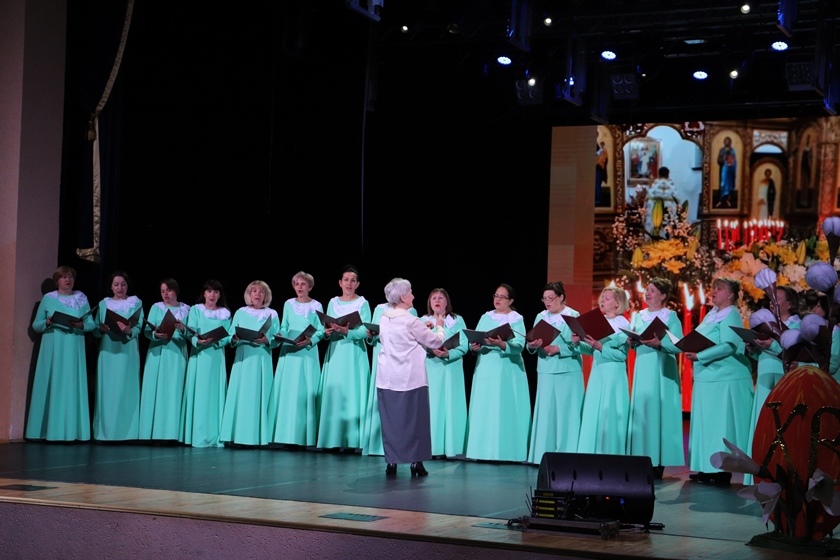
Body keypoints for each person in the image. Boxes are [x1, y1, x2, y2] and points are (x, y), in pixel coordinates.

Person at [684, 277, 753, 485]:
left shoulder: (731, 314)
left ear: (731, 295)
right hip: (707, 378)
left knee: (719, 425)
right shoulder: (712, 314)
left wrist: (700, 356)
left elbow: (729, 345)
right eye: (714, 288)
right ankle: (707, 467)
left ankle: (720, 471)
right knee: (707, 425)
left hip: (723, 378)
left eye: (720, 289)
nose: (714, 292)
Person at [376, 278, 446, 477]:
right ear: (403, 297)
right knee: (416, 422)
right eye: (411, 292)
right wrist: (439, 326)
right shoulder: (411, 321)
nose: (413, 296)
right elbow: (435, 342)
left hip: (387, 378)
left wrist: (424, 328)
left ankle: (392, 462)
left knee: (392, 423)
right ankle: (416, 462)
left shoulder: (384, 318)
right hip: (410, 378)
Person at [26, 265, 97, 441]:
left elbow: (91, 324)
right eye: (64, 277)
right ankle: (47, 430)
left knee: (71, 384)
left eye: (71, 276)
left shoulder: (81, 298)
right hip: (54, 345)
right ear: (57, 280)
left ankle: (73, 431)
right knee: (54, 383)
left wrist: (82, 325)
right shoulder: (48, 298)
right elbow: (36, 325)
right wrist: (48, 322)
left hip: (73, 345)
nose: (68, 280)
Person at [626, 278, 685, 478]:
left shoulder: (670, 316)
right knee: (644, 411)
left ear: (663, 295)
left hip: (661, 369)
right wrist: (632, 341)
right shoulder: (638, 316)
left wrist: (660, 344)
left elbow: (679, 344)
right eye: (647, 290)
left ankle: (658, 462)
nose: (648, 293)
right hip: (643, 366)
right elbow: (633, 342)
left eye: (653, 290)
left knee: (660, 412)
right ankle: (641, 458)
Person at [465, 283, 530, 462]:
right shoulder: (485, 317)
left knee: (504, 407)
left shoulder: (516, 319)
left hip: (507, 369)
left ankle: (506, 452)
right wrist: (474, 346)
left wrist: (501, 344)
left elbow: (519, 345)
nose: (498, 299)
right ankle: (482, 452)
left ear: (511, 300)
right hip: (486, 368)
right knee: (486, 407)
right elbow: (476, 339)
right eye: (496, 295)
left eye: (502, 296)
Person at [743, 286, 799, 484]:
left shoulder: (796, 325)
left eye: (777, 299)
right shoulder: (766, 325)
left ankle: (780, 475)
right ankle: (758, 474)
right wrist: (752, 347)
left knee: (780, 425)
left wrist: (772, 344)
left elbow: (794, 354)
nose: (772, 302)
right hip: (765, 379)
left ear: (789, 304)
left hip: (784, 379)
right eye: (771, 299)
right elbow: (762, 355)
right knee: (762, 424)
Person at [526, 281, 584, 464]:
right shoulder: (541, 316)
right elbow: (531, 343)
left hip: (568, 371)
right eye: (544, 299)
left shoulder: (573, 315)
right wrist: (532, 345)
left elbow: (581, 345)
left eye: (551, 298)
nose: (547, 302)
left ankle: (567, 456)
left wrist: (558, 348)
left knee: (567, 414)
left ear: (561, 297)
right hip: (546, 370)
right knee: (547, 414)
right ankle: (544, 455)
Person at [316, 265, 372, 451]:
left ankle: (352, 441)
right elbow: (326, 326)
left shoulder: (362, 303)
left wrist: (347, 331)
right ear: (340, 283)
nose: (349, 283)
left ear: (357, 284)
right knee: (335, 393)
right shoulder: (333, 302)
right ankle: (332, 440)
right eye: (346, 280)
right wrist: (327, 332)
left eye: (352, 280)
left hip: (354, 352)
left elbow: (365, 330)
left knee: (353, 391)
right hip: (336, 350)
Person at [220, 280, 279, 447]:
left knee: (258, 396)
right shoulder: (240, 312)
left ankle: (258, 437)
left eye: (261, 291)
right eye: (254, 291)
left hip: (261, 359)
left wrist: (267, 340)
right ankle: (238, 436)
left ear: (265, 296)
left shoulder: (272, 314)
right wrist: (235, 338)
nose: (257, 294)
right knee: (242, 396)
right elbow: (230, 335)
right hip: (243, 358)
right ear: (249, 294)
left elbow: (277, 338)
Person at [268, 271, 324, 448]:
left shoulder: (316, 305)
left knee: (303, 392)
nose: (300, 287)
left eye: (303, 284)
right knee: (288, 391)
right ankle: (285, 436)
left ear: (310, 287)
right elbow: (284, 325)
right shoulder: (288, 304)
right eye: (297, 284)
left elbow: (321, 330)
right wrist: (282, 335)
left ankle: (303, 437)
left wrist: (310, 340)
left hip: (306, 351)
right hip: (290, 350)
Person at [577, 287, 630, 455]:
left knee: (610, 411)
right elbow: (592, 350)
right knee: (594, 411)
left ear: (617, 303)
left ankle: (609, 452)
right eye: (602, 298)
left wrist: (600, 346)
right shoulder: (599, 322)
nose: (602, 301)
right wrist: (579, 343)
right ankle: (591, 453)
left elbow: (622, 355)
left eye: (607, 299)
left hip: (614, 374)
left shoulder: (623, 324)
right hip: (598, 371)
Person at [92, 271, 144, 442]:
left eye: (123, 284)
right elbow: (95, 328)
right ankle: (105, 432)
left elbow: (139, 326)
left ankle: (128, 433)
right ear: (111, 287)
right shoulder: (103, 304)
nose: (120, 288)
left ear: (127, 286)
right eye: (116, 284)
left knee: (126, 389)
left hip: (127, 350)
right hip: (108, 350)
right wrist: (101, 329)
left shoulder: (135, 303)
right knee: (108, 391)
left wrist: (130, 330)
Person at [179, 279, 231, 448]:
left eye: (215, 292)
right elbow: (191, 331)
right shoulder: (196, 310)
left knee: (214, 396)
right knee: (200, 395)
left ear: (219, 295)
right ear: (204, 294)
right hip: (200, 357)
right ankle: (198, 435)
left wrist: (217, 341)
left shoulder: (225, 314)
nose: (212, 295)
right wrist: (198, 341)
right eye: (209, 291)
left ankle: (215, 436)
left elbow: (228, 336)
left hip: (216, 357)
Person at [361, 301, 417, 457]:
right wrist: (371, 336)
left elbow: (411, 337)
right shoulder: (379, 308)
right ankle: (377, 446)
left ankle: (399, 446)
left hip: (401, 358)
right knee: (382, 399)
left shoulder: (410, 310)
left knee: (399, 400)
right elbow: (372, 338)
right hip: (382, 356)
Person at [139, 278, 190, 442]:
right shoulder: (156, 307)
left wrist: (182, 329)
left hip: (176, 354)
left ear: (176, 290)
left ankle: (171, 433)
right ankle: (153, 433)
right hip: (158, 353)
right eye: (162, 291)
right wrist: (156, 334)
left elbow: (190, 333)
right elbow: (147, 330)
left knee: (173, 391)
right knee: (156, 390)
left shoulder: (186, 309)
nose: (165, 294)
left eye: (168, 290)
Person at [422, 288, 469, 458]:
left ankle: (450, 448)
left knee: (450, 406)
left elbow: (464, 345)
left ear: (447, 302)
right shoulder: (423, 321)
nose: (437, 300)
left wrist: (449, 353)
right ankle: (432, 448)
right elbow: (416, 342)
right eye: (434, 298)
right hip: (431, 368)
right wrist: (429, 349)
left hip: (451, 368)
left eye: (441, 298)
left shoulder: (457, 320)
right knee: (433, 407)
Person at [716, 136, 737, 208]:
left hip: (730, 170)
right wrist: (723, 158)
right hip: (724, 169)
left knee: (729, 185)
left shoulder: (732, 150)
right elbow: (719, 160)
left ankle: (728, 199)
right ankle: (721, 200)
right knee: (723, 184)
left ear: (730, 142)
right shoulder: (722, 150)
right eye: (726, 141)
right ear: (724, 142)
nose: (727, 142)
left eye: (728, 141)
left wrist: (731, 163)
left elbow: (734, 160)